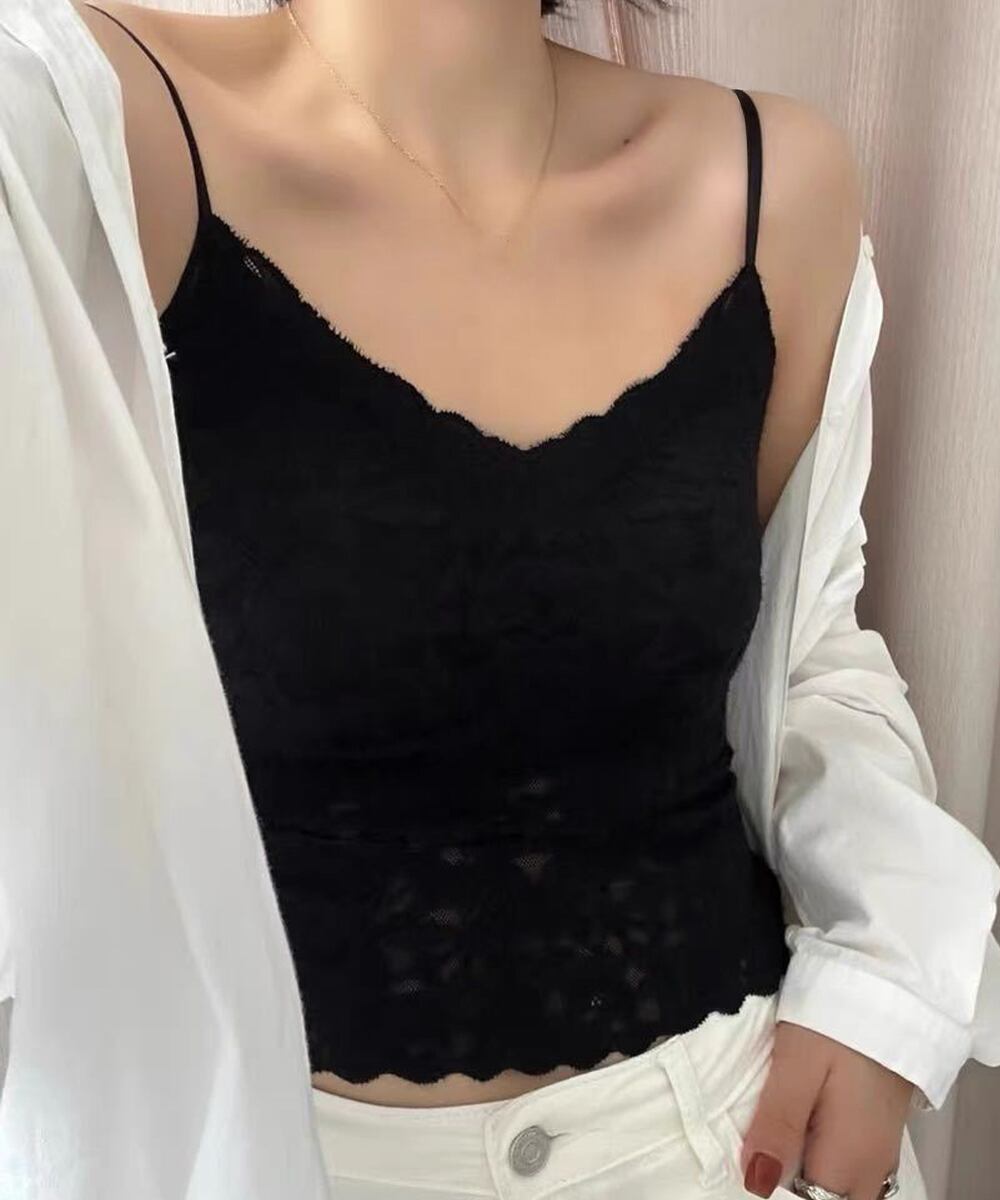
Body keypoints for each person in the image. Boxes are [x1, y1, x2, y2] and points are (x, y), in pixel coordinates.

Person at [1, 1, 998, 1198]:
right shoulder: (76, 130)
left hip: (722, 1138)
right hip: (265, 1159)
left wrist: (886, 979)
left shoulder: (769, 184)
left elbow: (796, 646)